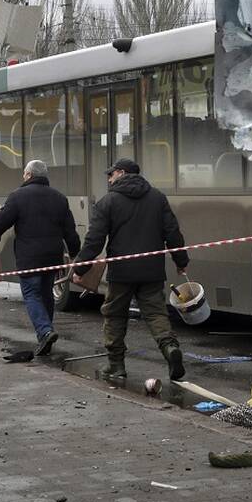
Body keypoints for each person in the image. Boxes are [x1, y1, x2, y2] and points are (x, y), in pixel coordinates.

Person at [72, 158, 189, 382]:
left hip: (121, 272)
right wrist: (180, 260)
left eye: (111, 174)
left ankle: (116, 366)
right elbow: (173, 233)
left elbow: (94, 241)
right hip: (152, 270)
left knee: (114, 315)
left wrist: (81, 268)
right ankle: (170, 348)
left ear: (122, 173)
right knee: (156, 314)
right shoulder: (157, 198)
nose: (108, 178)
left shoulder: (108, 202)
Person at [0, 160, 80, 356]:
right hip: (53, 258)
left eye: (23, 174)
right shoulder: (59, 198)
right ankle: (46, 335)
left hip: (29, 258)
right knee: (46, 294)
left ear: (29, 175)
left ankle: (45, 331)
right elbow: (70, 231)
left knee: (31, 294)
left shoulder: (18, 196)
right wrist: (74, 252)